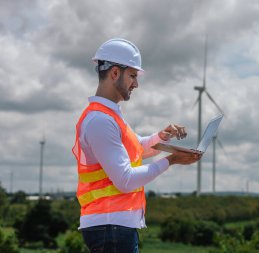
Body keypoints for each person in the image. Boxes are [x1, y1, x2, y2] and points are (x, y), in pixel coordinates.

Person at [72, 38, 201, 253]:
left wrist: (162, 137)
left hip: (113, 225)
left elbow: (138, 148)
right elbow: (125, 180)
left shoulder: (110, 116)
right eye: (132, 75)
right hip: (110, 225)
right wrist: (171, 161)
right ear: (115, 73)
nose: (136, 84)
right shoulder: (100, 120)